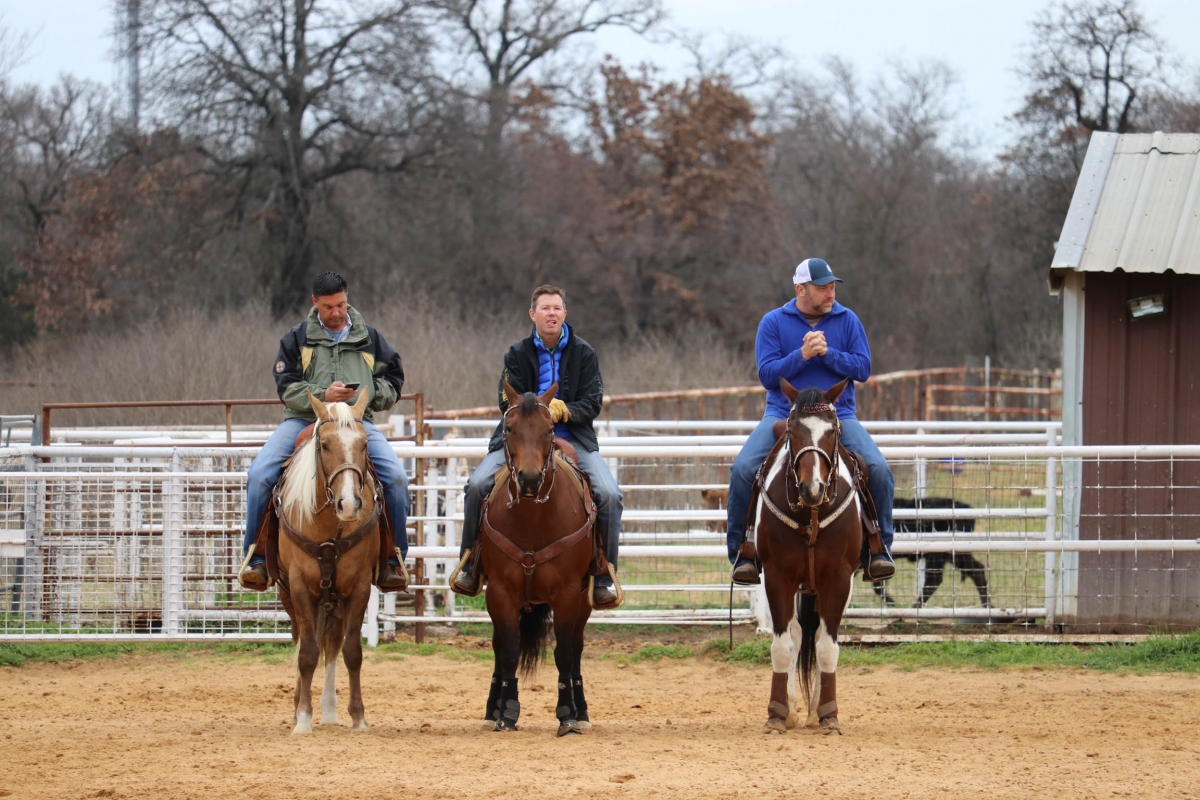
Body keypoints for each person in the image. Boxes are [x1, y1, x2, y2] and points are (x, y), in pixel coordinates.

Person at [450, 285, 622, 607]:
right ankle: (470, 563)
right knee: (476, 485)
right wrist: (538, 410)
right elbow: (506, 400)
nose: (551, 313)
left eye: (557, 308)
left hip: (574, 437)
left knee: (610, 495)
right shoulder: (517, 353)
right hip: (523, 438)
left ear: (564, 314)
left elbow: (593, 402)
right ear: (533, 314)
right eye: (545, 308)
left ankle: (604, 574)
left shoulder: (585, 353)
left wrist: (566, 410)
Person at [726, 258, 896, 585]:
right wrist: (801, 355)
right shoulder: (773, 322)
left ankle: (880, 550)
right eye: (822, 288)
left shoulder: (847, 320)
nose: (830, 293)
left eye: (832, 286)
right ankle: (742, 554)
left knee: (879, 470)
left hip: (837, 414)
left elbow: (863, 369)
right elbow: (767, 376)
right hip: (784, 413)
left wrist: (827, 353)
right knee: (743, 469)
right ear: (801, 290)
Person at [239, 271, 410, 592]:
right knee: (260, 474)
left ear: (347, 299)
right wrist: (323, 394)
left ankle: (393, 559)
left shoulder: (370, 338)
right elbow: (286, 386)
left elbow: (394, 381)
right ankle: (256, 557)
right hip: (303, 420)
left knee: (397, 479)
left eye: (341, 305)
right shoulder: (296, 339)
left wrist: (367, 394)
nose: (336, 312)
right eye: (329, 307)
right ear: (315, 302)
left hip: (356, 422)